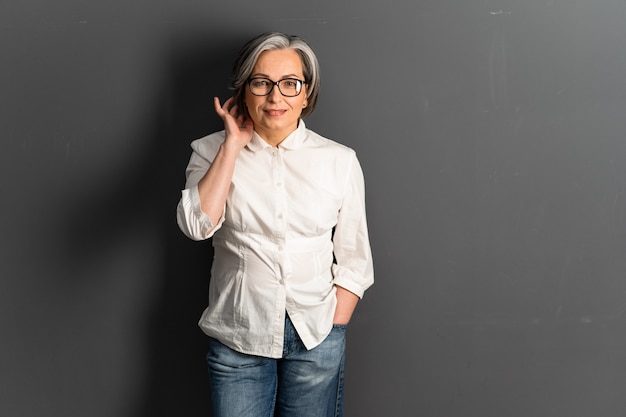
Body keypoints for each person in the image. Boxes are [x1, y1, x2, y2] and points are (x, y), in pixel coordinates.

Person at [176, 32, 374, 417]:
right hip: (238, 337)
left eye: (289, 84)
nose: (275, 96)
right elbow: (196, 226)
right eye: (262, 82)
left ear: (306, 93)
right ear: (244, 90)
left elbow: (355, 258)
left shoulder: (340, 161)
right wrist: (231, 147)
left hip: (315, 336)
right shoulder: (209, 150)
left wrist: (332, 329)